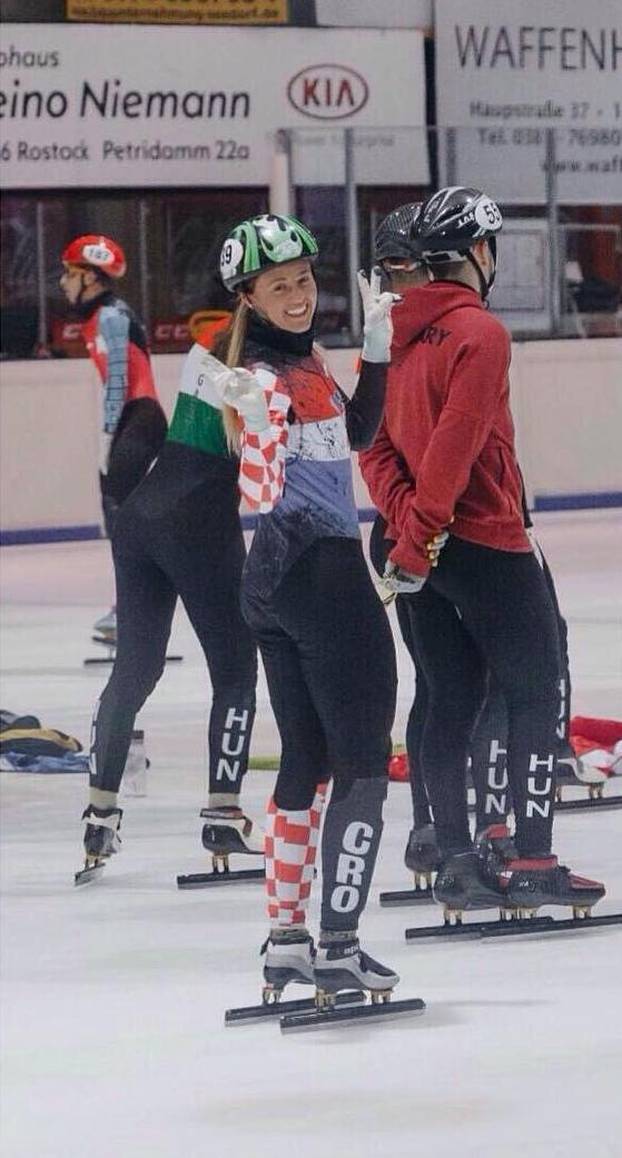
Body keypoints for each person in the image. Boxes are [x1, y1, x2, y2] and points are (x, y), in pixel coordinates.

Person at [360, 186, 604, 915]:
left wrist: (407, 534)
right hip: (481, 540)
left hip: (408, 542)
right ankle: (532, 858)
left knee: (448, 695)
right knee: (537, 689)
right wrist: (427, 530)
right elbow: (455, 448)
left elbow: (368, 443)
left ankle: (457, 858)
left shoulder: (389, 332)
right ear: (476, 254)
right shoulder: (479, 333)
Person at [204, 212, 400, 1001]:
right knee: (361, 767)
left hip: (276, 587)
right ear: (247, 297)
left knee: (307, 761)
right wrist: (256, 428)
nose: (299, 293)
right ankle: (341, 943)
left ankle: (287, 939)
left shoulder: (305, 362)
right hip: (321, 583)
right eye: (280, 284)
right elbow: (261, 490)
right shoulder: (262, 378)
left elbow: (358, 433)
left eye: (305, 279)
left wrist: (377, 350)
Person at [78, 331, 259, 879]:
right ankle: (224, 815)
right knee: (235, 672)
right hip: (200, 522)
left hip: (140, 517)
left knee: (134, 670)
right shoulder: (271, 361)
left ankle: (98, 817)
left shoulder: (210, 342)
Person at [60, 235, 167, 641]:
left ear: (90, 277)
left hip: (138, 418)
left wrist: (107, 434)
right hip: (134, 420)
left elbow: (118, 382)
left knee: (124, 519)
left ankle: (134, 611)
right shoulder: (101, 315)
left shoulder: (110, 316)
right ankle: (132, 607)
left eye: (69, 274)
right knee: (121, 517)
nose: (63, 283)